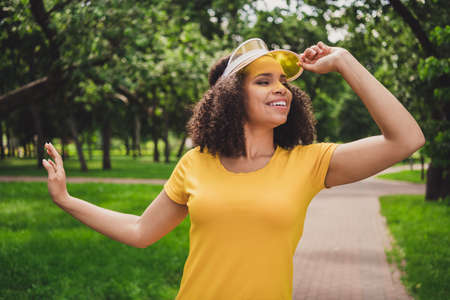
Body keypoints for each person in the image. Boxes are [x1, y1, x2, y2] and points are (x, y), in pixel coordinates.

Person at [42, 38, 425, 300]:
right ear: (231, 98)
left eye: (283, 82)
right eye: (264, 81)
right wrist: (67, 200)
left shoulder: (309, 162)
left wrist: (343, 60)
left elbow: (406, 139)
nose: (282, 89)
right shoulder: (195, 163)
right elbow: (142, 231)